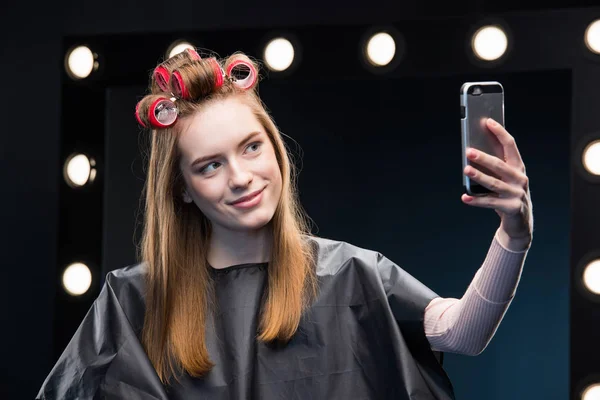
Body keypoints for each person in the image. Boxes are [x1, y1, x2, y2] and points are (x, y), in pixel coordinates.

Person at [37, 49, 533, 400]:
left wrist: (513, 235)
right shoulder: (135, 302)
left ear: (275, 147)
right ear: (182, 188)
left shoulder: (352, 274)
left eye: (252, 147)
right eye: (210, 165)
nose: (241, 178)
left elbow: (462, 333)